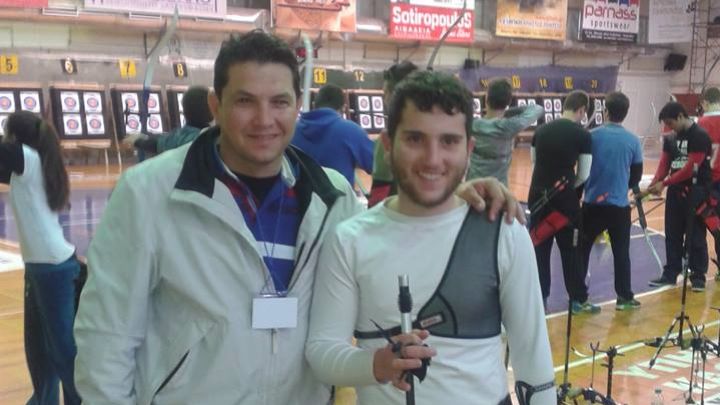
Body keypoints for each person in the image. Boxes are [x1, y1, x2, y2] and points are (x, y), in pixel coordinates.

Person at [74, 30, 520, 404]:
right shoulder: (149, 194)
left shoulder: (332, 198)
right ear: (216, 105)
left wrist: (453, 199)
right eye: (245, 101)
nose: (264, 119)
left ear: (296, 107)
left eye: (279, 102)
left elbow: (391, 235)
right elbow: (106, 340)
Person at [306, 70, 555, 405]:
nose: (432, 159)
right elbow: (322, 350)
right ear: (388, 145)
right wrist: (375, 365)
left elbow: (534, 360)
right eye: (415, 139)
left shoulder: (504, 232)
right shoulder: (349, 240)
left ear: (468, 149)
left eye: (448, 141)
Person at [2, 111, 82, 405]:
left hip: (54, 270)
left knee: (62, 352)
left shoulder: (29, 159)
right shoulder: (29, 166)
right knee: (38, 353)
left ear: (15, 138)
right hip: (41, 269)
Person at [529, 90, 597, 314]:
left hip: (538, 198)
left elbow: (534, 162)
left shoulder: (540, 130)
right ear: (582, 110)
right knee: (571, 251)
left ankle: (540, 299)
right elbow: (584, 174)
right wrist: (568, 188)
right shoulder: (582, 135)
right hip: (565, 203)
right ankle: (578, 300)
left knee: (540, 249)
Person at [580, 92, 643, 310]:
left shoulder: (591, 136)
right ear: (625, 114)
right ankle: (624, 297)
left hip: (592, 205)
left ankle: (578, 298)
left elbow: (582, 170)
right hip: (618, 207)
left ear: (605, 111)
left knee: (582, 251)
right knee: (621, 253)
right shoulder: (633, 141)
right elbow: (636, 176)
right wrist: (620, 187)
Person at [647, 102, 712, 292]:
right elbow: (664, 163)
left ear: (681, 116)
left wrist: (664, 183)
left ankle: (698, 276)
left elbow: (691, 168)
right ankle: (670, 273)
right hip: (675, 192)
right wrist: (655, 182)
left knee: (695, 234)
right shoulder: (671, 138)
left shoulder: (699, 136)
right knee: (672, 233)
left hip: (695, 191)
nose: (670, 127)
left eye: (671, 123)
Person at [291, 83, 373, 186]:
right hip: (339, 196)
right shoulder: (352, 131)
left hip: (298, 196)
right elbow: (376, 166)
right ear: (343, 108)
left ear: (314, 105)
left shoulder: (291, 130)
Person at [467, 77, 543, 185]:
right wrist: (507, 111)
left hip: (473, 188)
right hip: (500, 190)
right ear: (509, 101)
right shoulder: (509, 126)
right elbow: (537, 109)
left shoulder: (472, 125)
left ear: (486, 98)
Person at [367, 61, 418, 208]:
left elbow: (379, 194)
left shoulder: (388, 139)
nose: (384, 100)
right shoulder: (438, 131)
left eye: (386, 94)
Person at [124, 85, 213, 155]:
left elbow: (156, 144)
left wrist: (136, 140)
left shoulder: (177, 137)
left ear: (184, 111)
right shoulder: (213, 138)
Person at [697, 87, 720, 280]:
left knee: (701, 225)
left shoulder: (702, 124)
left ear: (705, 102)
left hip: (708, 184)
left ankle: (699, 272)